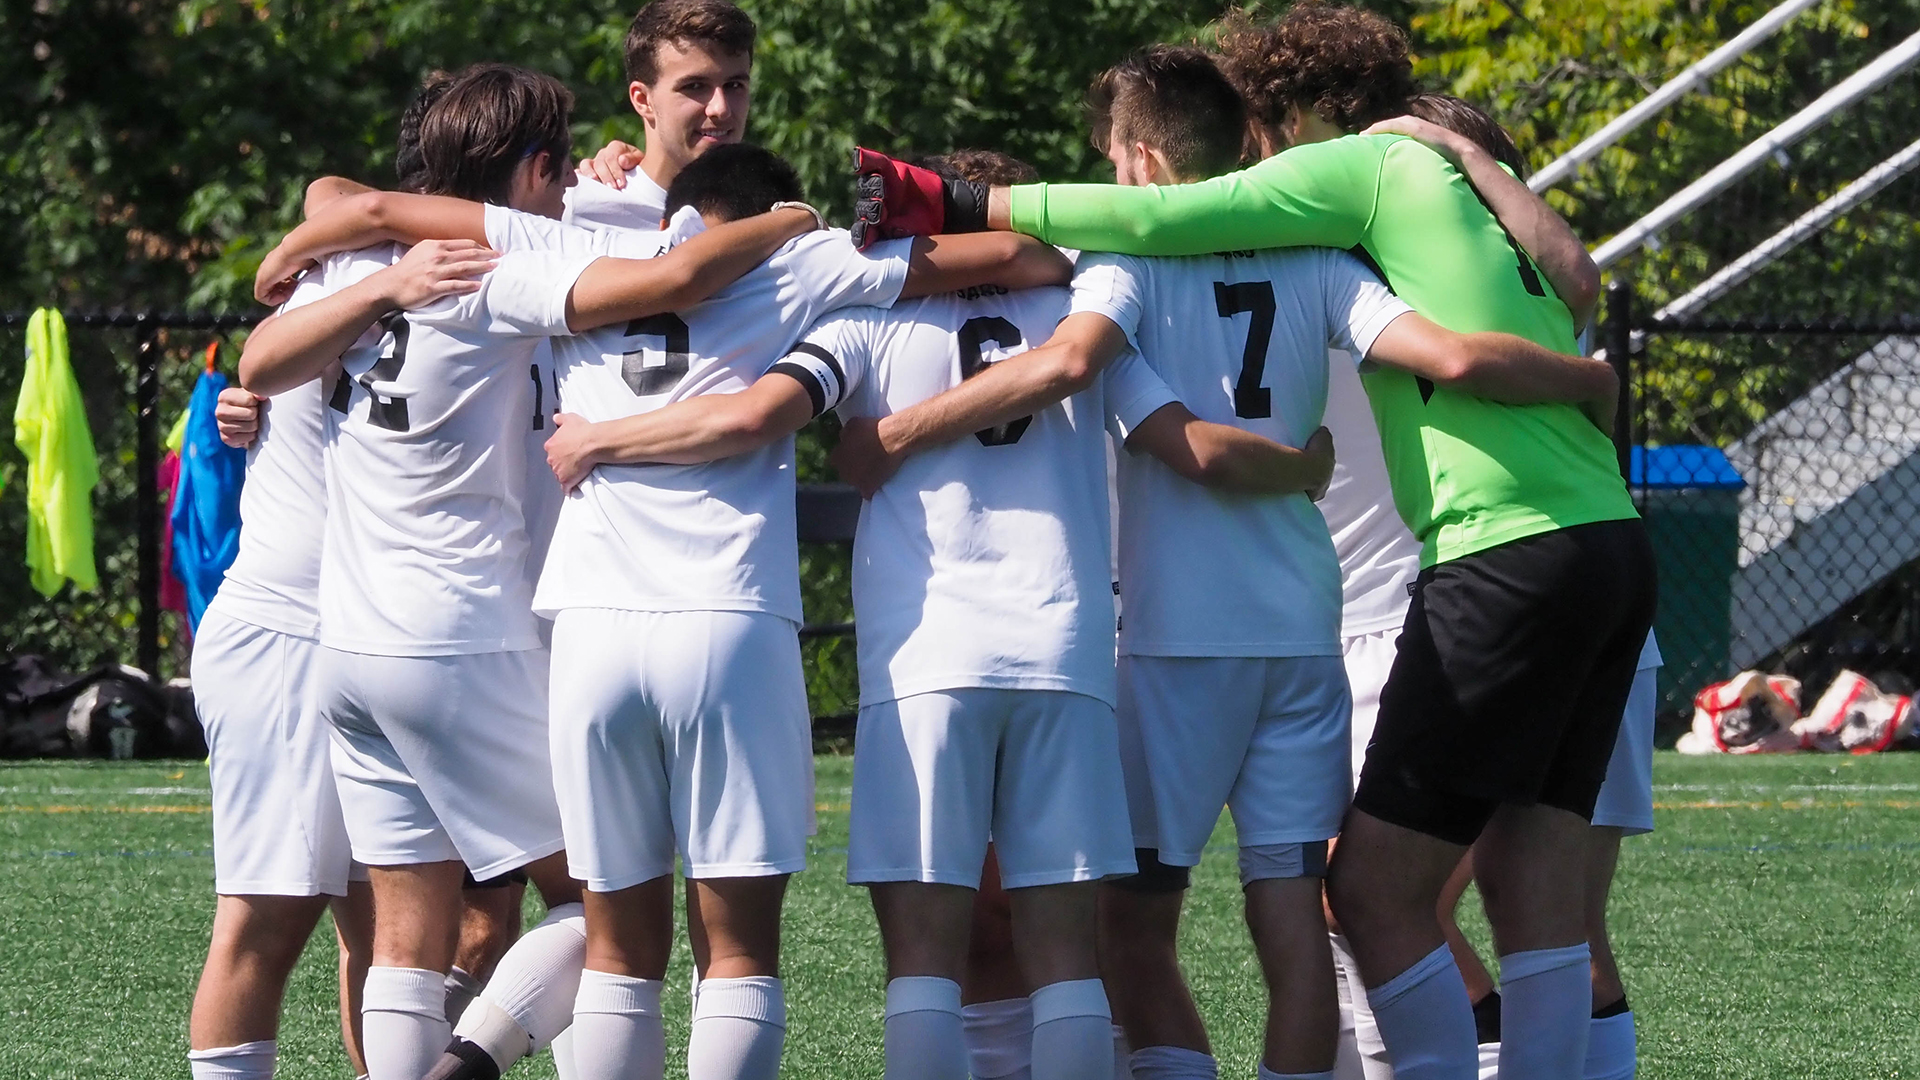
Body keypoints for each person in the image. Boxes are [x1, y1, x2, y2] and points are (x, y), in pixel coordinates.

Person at [850, 4, 1656, 1076]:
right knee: (1332, 915)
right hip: (1324, 625)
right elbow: (1475, 334)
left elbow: (1138, 406)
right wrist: (1584, 377)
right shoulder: (1330, 256)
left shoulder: (1135, 258)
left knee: (1143, 925)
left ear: (1141, 162)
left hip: (1189, 640)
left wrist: (900, 397)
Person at [294, 138, 1073, 1080]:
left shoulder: (566, 251)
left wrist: (300, 253)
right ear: (769, 218)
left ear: (675, 216)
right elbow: (1025, 254)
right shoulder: (802, 258)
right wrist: (809, 228)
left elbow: (381, 207)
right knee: (736, 952)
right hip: (726, 618)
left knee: (616, 949)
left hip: (592, 628)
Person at [239, 66, 826, 1080]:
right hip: (459, 631)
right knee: (606, 905)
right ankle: (464, 1067)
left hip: (351, 645)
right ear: (538, 169)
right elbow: (678, 281)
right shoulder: (502, 265)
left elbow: (273, 329)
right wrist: (792, 223)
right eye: (559, 176)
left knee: (406, 938)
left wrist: (363, 271)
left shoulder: (357, 262)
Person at [566, 0, 757, 229]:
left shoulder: (774, 220)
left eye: (734, 85)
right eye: (695, 86)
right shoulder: (578, 210)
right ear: (643, 100)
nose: (721, 108)